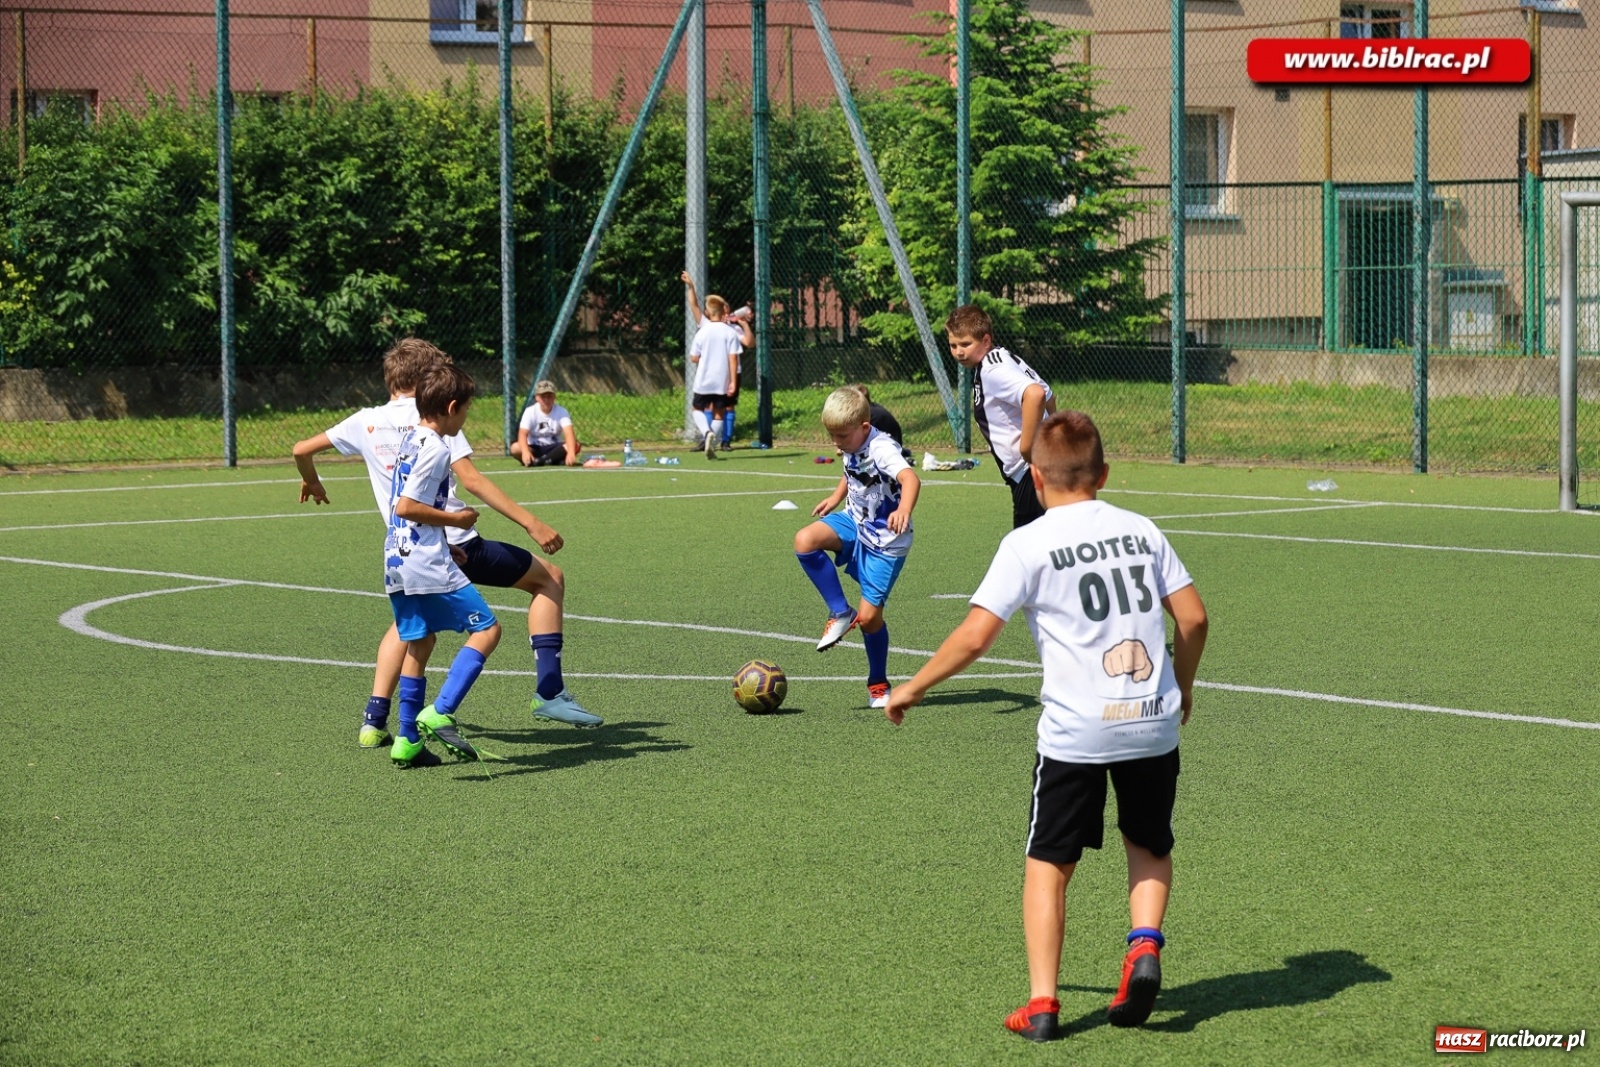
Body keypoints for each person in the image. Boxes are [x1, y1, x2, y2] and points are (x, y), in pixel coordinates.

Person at [884, 410, 1208, 1042]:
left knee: (1048, 864)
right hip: (1152, 720)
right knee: (1148, 843)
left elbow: (977, 636)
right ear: (1104, 473)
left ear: (1034, 477)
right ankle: (1144, 946)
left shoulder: (1026, 543)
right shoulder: (1141, 530)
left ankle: (1042, 1006)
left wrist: (914, 687)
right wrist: (1183, 685)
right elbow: (1193, 619)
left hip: (1076, 731)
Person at [293, 340, 601, 750]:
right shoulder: (435, 421)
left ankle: (375, 720)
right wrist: (531, 522)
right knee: (548, 580)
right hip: (452, 544)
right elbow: (471, 480)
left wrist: (312, 479)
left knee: (410, 630)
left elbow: (301, 450)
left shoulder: (365, 421)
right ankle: (549, 693)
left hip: (402, 550)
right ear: (428, 383)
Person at [378, 362, 502, 768]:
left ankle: (407, 739)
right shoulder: (436, 447)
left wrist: (449, 545)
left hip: (397, 557)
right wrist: (457, 521)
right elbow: (407, 505)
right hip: (423, 560)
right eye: (466, 410)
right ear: (451, 407)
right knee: (487, 629)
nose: (466, 417)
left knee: (421, 641)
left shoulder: (412, 439)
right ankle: (442, 709)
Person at [793, 386, 921, 709]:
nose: (836, 443)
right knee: (805, 541)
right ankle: (839, 611)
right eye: (831, 436)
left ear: (864, 428)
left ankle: (878, 683)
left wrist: (904, 509)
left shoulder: (882, 448)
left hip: (886, 542)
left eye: (841, 436)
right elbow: (852, 470)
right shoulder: (853, 441)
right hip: (855, 522)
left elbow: (910, 479)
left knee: (869, 619)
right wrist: (835, 498)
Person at [944, 304, 1058, 528]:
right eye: (953, 345)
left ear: (986, 341)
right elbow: (1048, 395)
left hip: (1030, 472)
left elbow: (1035, 395)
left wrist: (1028, 449)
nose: (959, 351)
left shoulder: (992, 369)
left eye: (966, 344)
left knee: (1029, 552)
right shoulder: (1004, 357)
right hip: (1040, 467)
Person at [682, 271, 753, 459]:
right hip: (722, 381)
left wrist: (690, 286)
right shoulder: (730, 333)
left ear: (707, 313)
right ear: (725, 312)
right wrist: (732, 382)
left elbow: (693, 358)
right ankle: (712, 438)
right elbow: (733, 359)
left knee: (697, 409)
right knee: (719, 413)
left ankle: (707, 433)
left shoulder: (703, 330)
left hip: (703, 380)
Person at [510, 380, 581, 467]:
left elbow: (569, 433)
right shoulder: (530, 411)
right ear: (537, 398)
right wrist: (525, 452)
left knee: (575, 445)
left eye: (549, 396)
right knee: (515, 448)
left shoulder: (562, 411)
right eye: (543, 397)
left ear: (554, 397)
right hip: (535, 447)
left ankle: (542, 461)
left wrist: (570, 453)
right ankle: (553, 460)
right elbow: (522, 434)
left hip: (554, 448)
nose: (547, 400)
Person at [849, 383, 910, 464]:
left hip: (889, 448)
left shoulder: (869, 414)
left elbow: (862, 437)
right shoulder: (872, 408)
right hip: (891, 444)